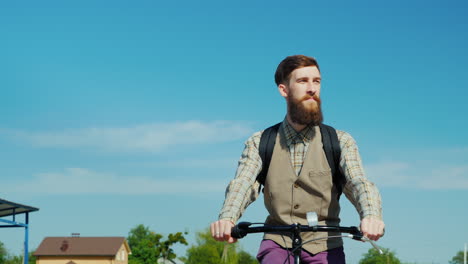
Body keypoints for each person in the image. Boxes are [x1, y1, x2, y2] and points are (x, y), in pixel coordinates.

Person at [210, 55, 385, 263]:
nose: (312, 88)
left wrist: (371, 215)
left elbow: (358, 183)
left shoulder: (340, 141)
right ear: (284, 90)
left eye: (316, 81)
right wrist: (227, 219)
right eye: (303, 81)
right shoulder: (260, 142)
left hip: (325, 244)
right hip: (277, 241)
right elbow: (243, 184)